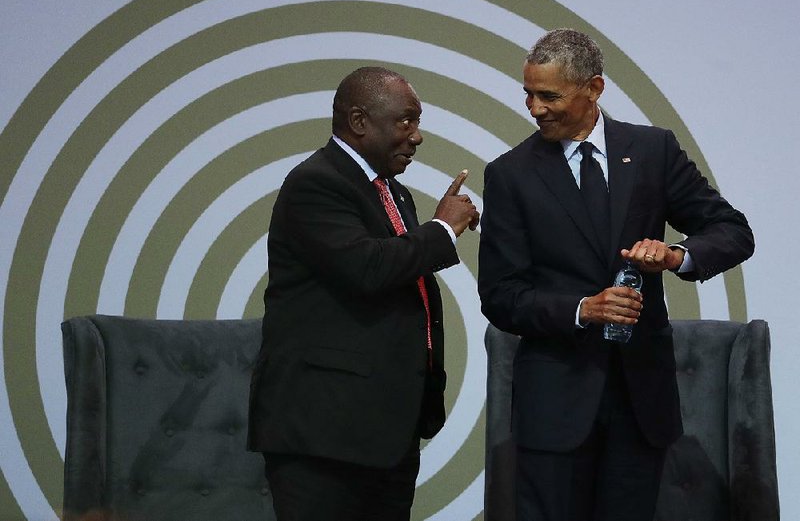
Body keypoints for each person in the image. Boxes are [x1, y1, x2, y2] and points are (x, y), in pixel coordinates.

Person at [478, 29, 754, 521]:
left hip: (639, 405)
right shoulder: (510, 174)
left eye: (549, 96)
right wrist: (583, 310)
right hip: (555, 411)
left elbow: (732, 231)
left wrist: (675, 256)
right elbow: (501, 295)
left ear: (594, 89)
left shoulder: (653, 151)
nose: (534, 108)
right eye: (528, 94)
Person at [247, 66, 480, 521]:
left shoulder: (393, 192)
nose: (416, 136)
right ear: (359, 122)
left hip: (382, 432)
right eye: (405, 120)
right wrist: (442, 231)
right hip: (323, 435)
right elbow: (366, 268)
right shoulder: (316, 183)